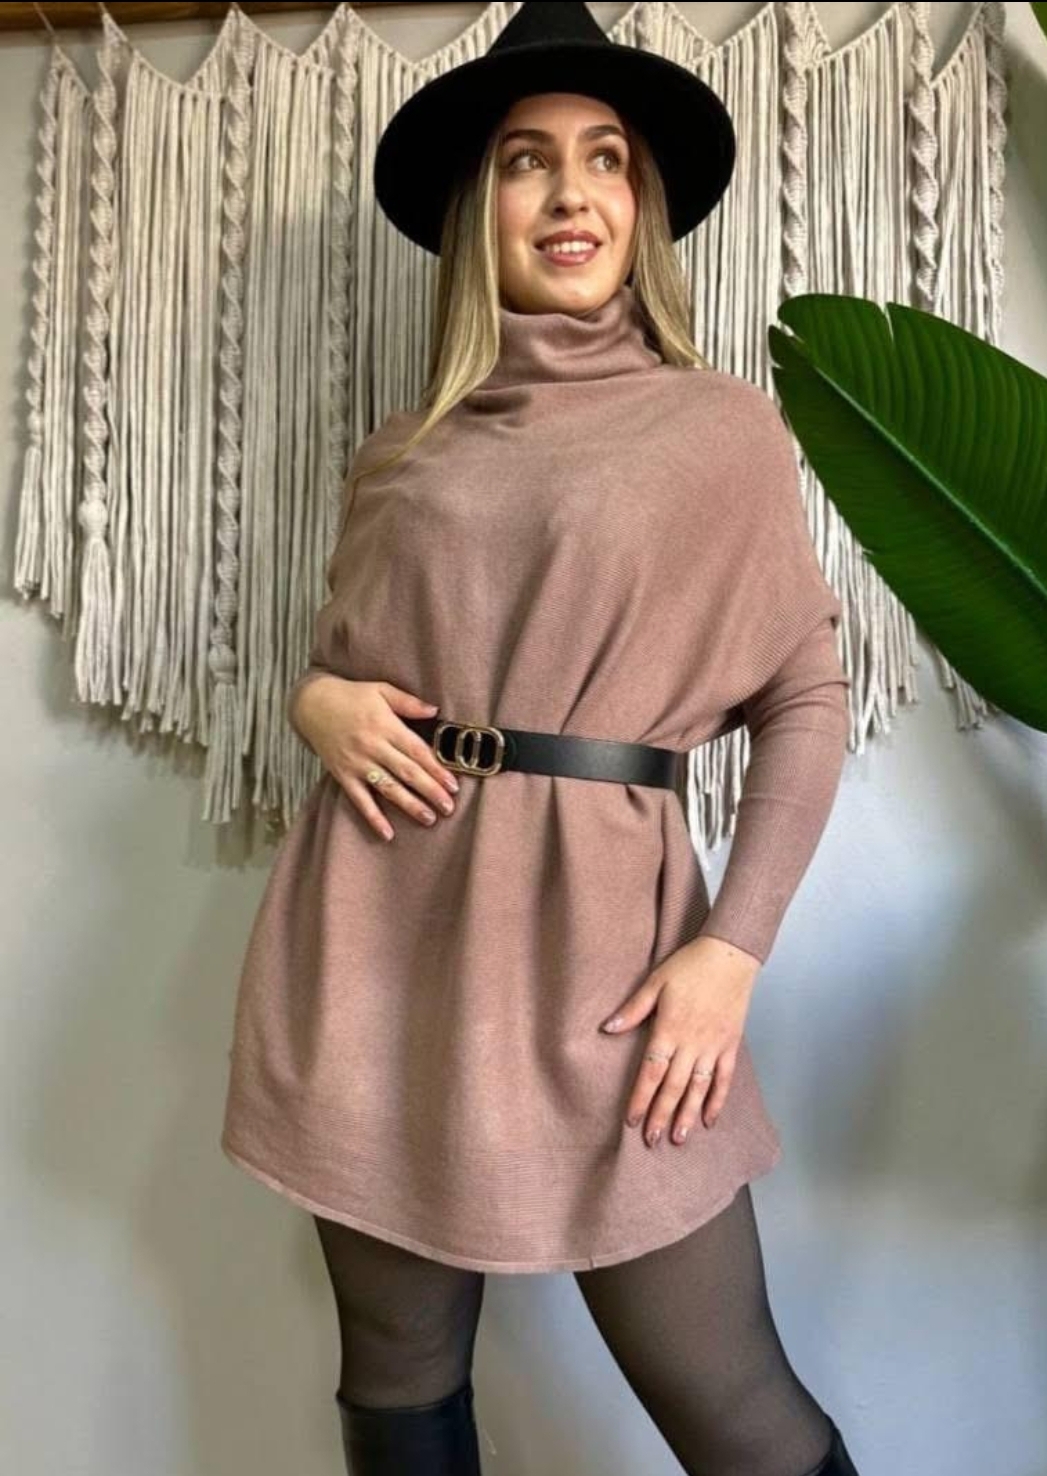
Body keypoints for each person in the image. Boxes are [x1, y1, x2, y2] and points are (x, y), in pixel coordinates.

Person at [221, 4, 861, 1473]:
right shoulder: (401, 453)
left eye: (605, 160)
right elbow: (356, 670)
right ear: (478, 207)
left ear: (641, 206)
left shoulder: (716, 431)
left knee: (735, 1407)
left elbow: (804, 700)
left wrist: (732, 951)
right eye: (527, 160)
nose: (571, 194)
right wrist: (316, 702)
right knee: (397, 1381)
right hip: (377, 951)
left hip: (610, 973)